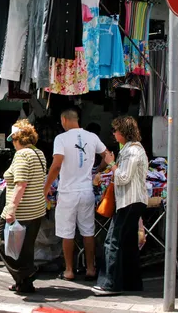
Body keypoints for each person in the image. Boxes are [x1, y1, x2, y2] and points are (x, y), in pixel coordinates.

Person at [44, 108, 109, 281]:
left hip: (67, 193)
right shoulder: (92, 137)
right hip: (86, 191)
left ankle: (69, 270)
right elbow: (108, 155)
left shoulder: (61, 139)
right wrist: (98, 169)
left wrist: (46, 187)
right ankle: (90, 269)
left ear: (64, 120)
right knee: (88, 231)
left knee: (67, 233)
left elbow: (56, 164)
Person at [92, 116, 148, 296]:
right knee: (128, 242)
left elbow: (123, 177)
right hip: (132, 200)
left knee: (112, 241)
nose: (114, 134)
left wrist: (111, 163)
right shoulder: (131, 150)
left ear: (123, 132)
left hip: (129, 201)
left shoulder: (132, 151)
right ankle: (132, 283)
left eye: (116, 131)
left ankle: (109, 283)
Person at [0, 120, 47, 293]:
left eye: (13, 139)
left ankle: (27, 273)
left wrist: (11, 208)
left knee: (1, 240)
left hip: (22, 210)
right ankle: (24, 283)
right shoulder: (39, 153)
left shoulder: (22, 155)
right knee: (25, 249)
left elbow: (21, 184)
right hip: (37, 209)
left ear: (18, 138)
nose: (12, 143)